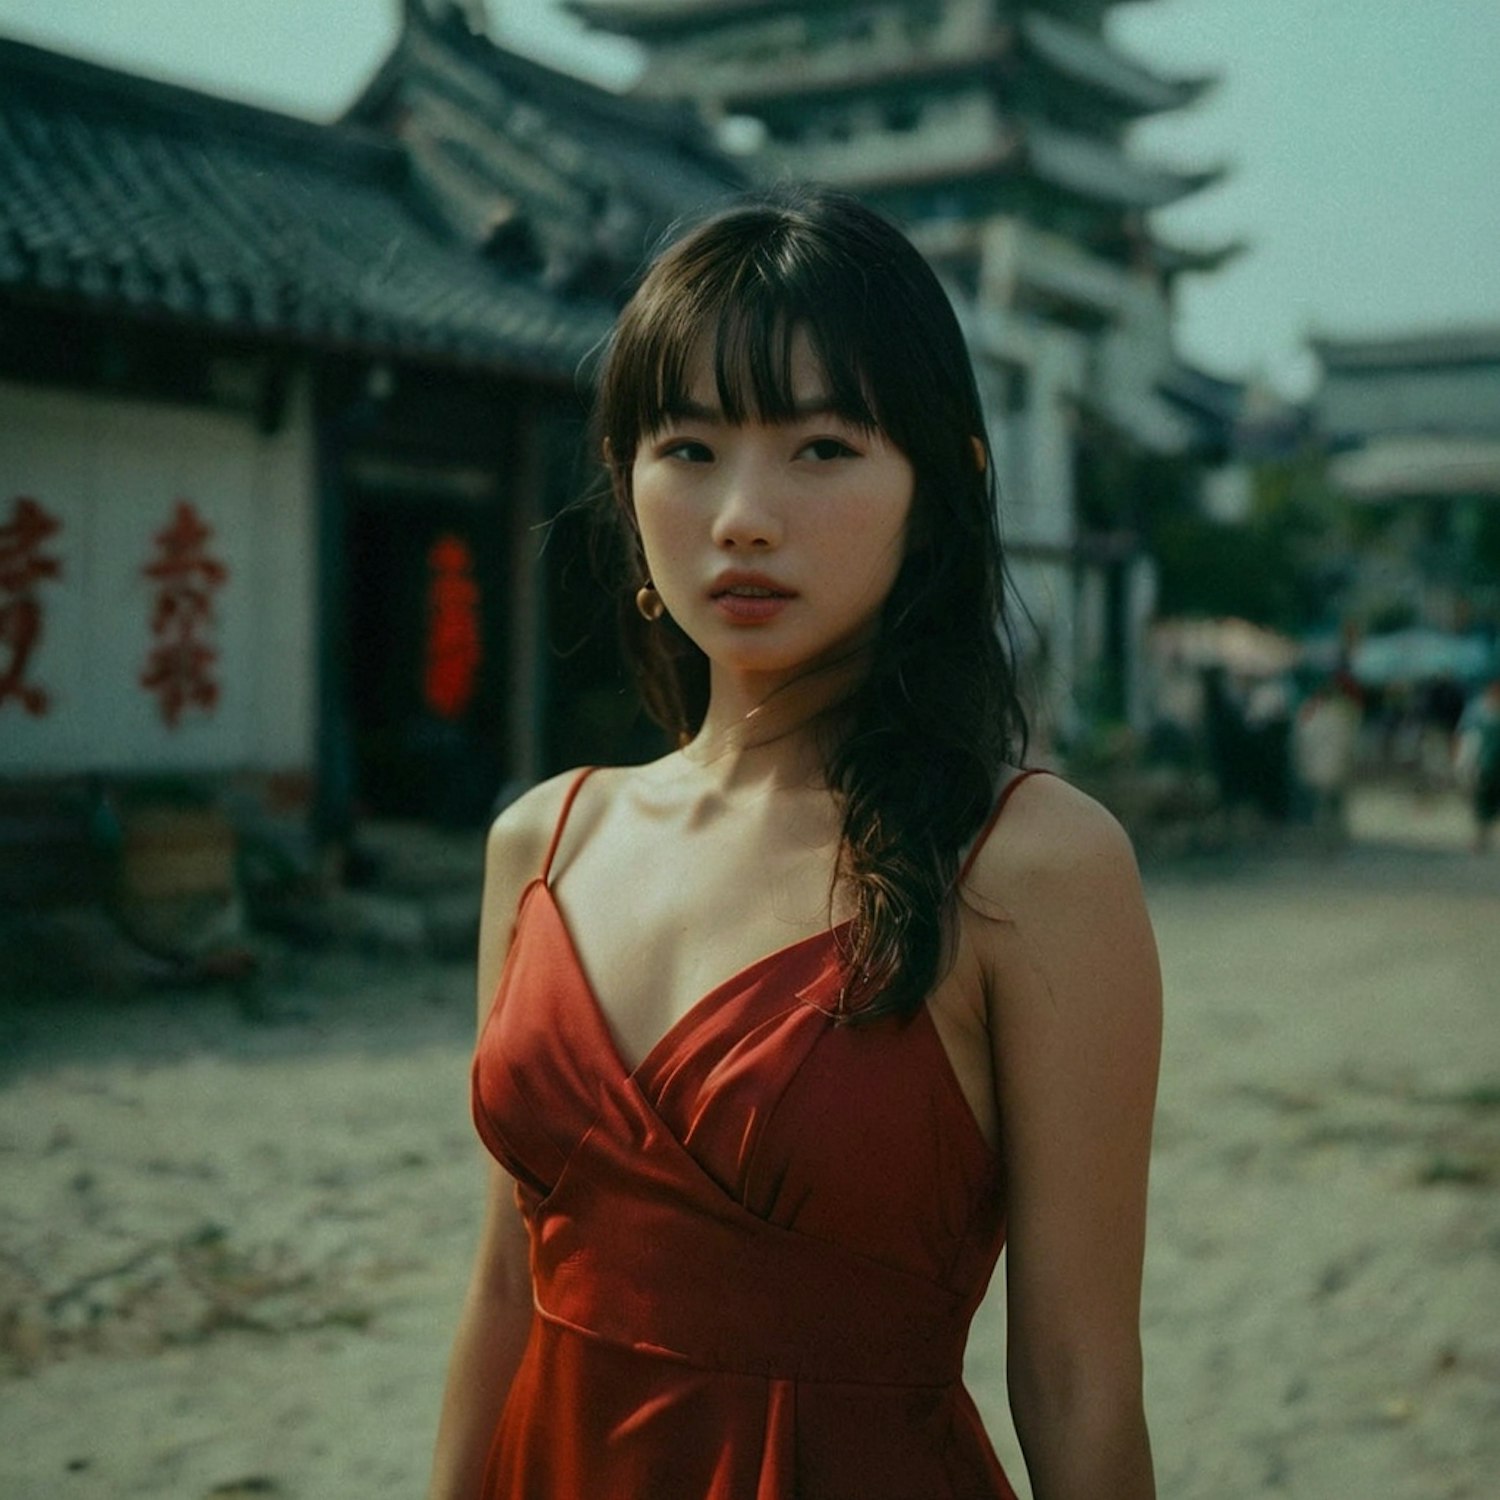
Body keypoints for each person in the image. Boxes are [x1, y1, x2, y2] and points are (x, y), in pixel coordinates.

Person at [427, 188, 1162, 1500]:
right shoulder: (541, 840)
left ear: (941, 488)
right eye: (690, 448)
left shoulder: (1033, 867)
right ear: (626, 478)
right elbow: (504, 1291)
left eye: (822, 446)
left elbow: (1076, 1375)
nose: (743, 516)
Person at [1454, 675, 1500, 852]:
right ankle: (1481, 837)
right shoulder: (1478, 710)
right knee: (1481, 802)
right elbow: (1465, 735)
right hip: (1483, 764)